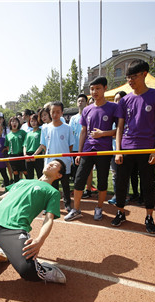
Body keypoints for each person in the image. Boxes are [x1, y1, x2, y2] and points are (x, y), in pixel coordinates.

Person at [112, 60, 155, 233]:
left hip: (147, 148)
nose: (130, 80)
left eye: (134, 76)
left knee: (148, 184)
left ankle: (149, 216)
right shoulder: (124, 101)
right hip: (127, 148)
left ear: (145, 74)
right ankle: (121, 212)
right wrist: (118, 150)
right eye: (128, 77)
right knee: (121, 184)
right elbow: (120, 128)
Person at [65, 77, 123, 222]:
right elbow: (83, 131)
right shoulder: (87, 109)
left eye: (98, 88)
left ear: (105, 88)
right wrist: (79, 152)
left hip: (104, 151)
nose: (94, 91)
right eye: (92, 89)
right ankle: (76, 209)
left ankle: (99, 208)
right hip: (87, 150)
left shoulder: (113, 107)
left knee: (102, 182)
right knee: (79, 180)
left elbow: (119, 130)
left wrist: (103, 134)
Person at [39, 101, 75, 213]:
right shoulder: (45, 128)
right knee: (51, 186)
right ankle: (51, 206)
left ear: (62, 113)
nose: (55, 114)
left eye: (58, 112)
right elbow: (44, 145)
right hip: (50, 162)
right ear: (50, 112)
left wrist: (67, 159)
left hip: (64, 162)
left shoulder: (67, 128)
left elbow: (70, 145)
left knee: (65, 185)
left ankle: (67, 204)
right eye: (53, 112)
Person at [69, 94, 88, 180]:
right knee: (76, 170)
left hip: (86, 147)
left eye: (82, 101)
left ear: (86, 103)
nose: (80, 102)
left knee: (86, 169)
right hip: (75, 147)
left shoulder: (89, 115)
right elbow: (70, 132)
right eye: (79, 101)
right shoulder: (73, 118)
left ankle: (88, 188)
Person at [5, 117, 27, 182]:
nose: (14, 123)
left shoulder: (22, 132)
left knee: (25, 172)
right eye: (12, 121)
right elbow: (7, 146)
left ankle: (29, 186)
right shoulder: (8, 135)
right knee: (15, 172)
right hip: (12, 156)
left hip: (21, 155)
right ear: (10, 123)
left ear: (18, 123)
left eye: (16, 121)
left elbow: (26, 143)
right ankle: (16, 187)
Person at [23, 114, 43, 179]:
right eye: (31, 121)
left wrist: (35, 155)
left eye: (35, 121)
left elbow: (42, 145)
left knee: (40, 174)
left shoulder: (41, 132)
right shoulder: (28, 133)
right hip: (28, 156)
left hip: (37, 155)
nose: (33, 123)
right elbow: (24, 145)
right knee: (29, 176)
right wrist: (25, 155)